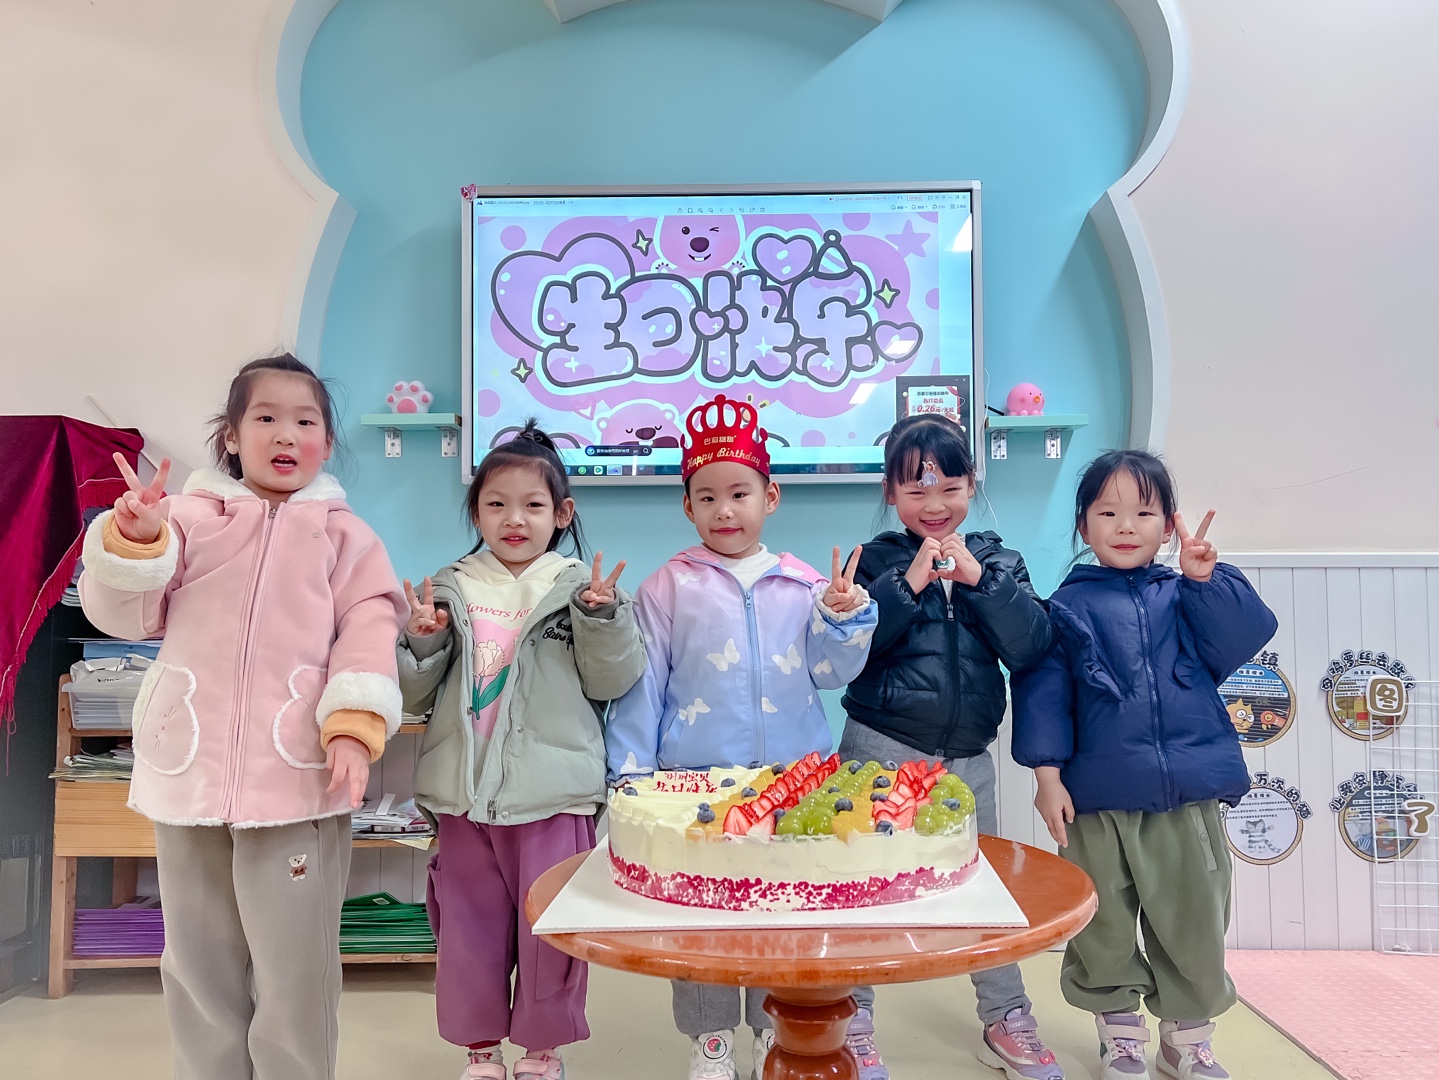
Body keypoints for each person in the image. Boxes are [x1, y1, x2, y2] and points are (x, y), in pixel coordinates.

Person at [78, 354, 407, 1080]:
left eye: (306, 421)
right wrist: (136, 541)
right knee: (197, 968)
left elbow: (370, 628)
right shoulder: (185, 522)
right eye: (266, 417)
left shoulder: (345, 537)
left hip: (296, 782)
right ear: (230, 435)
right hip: (191, 777)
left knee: (296, 976)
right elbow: (125, 616)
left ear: (326, 442)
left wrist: (354, 726)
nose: (286, 433)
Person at [605, 394, 878, 1080]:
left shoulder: (803, 584)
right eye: (707, 497)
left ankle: (769, 1028)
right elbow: (645, 684)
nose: (724, 510)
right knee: (702, 917)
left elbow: (830, 671)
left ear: (770, 497)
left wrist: (845, 617)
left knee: (777, 914)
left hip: (793, 781)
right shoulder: (667, 587)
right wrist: (629, 774)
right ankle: (710, 1041)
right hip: (695, 783)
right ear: (687, 507)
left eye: (739, 493)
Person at [1011, 450, 1278, 1080]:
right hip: (1096, 799)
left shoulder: (1187, 594)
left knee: (1194, 919)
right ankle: (1121, 1036)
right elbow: (1044, 695)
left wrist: (1206, 580)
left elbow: (1243, 637)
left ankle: (1187, 1040)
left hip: (1187, 795)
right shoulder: (1064, 607)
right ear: (1083, 525)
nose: (1126, 526)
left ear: (1168, 524)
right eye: (1107, 513)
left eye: (1144, 512)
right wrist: (1047, 777)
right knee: (1100, 924)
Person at [398, 420, 645, 1080]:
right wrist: (422, 642)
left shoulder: (581, 589)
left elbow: (613, 681)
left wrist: (601, 618)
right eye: (496, 504)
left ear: (561, 514)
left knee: (551, 934)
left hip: (553, 795)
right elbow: (414, 696)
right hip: (464, 798)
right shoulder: (449, 587)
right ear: (476, 511)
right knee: (467, 933)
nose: (514, 519)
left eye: (533, 505)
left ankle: (542, 1054)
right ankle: (481, 1053)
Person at [837, 413, 1059, 1080]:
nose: (934, 504)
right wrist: (905, 585)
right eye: (915, 491)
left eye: (950, 488)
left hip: (967, 758)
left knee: (979, 889)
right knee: (863, 886)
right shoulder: (873, 561)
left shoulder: (998, 560)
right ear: (890, 493)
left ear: (971, 484)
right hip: (880, 748)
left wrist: (979, 582)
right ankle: (851, 1020)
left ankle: (1005, 1016)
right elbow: (849, 652)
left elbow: (1032, 647)